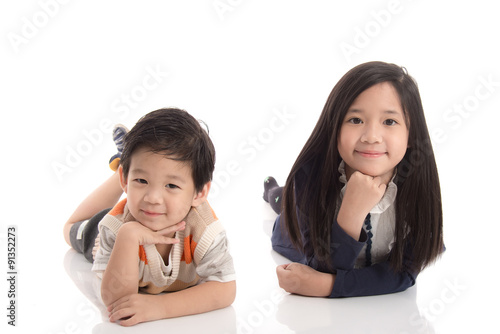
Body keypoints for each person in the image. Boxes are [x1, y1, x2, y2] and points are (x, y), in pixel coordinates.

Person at [263, 61, 444, 298]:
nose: (371, 137)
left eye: (389, 121)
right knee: (281, 199)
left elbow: (404, 273)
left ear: (411, 134)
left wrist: (328, 286)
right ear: (334, 127)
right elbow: (320, 266)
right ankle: (271, 188)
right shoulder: (308, 179)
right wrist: (351, 211)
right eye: (356, 120)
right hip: (293, 222)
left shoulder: (417, 188)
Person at [63, 108, 236, 326]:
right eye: (141, 181)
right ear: (125, 181)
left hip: (137, 202)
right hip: (105, 230)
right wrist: (128, 237)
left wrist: (159, 307)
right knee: (68, 229)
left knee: (146, 170)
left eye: (171, 185)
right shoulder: (114, 229)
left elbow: (225, 289)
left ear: (199, 193)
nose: (153, 198)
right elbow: (116, 301)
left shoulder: (205, 230)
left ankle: (129, 162)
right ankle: (123, 163)